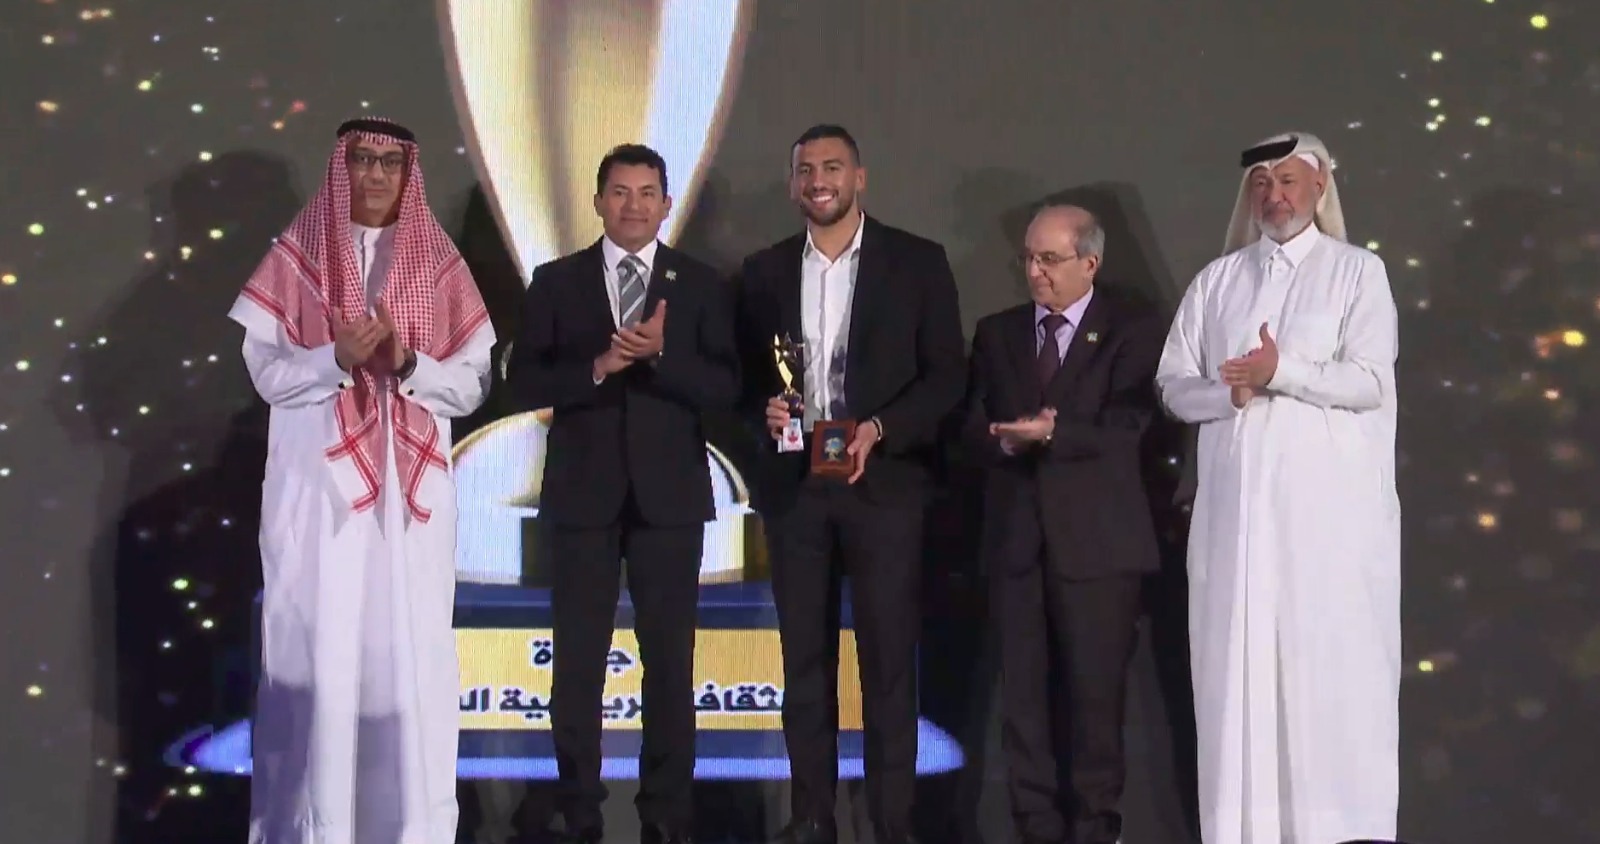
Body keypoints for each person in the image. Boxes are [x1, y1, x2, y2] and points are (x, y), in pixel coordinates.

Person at [228, 116, 495, 844]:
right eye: (362, 160)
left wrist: (407, 364)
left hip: (409, 505)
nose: (375, 175)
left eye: (389, 163)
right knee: (316, 656)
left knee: (406, 659)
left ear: (408, 175)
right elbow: (268, 375)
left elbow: (471, 386)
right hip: (319, 497)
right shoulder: (297, 258)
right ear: (340, 168)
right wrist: (335, 358)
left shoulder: (437, 265)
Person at [1154, 131, 1401, 844]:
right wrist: (1227, 395)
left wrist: (1279, 371)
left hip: (1326, 533)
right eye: (1262, 183)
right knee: (1238, 680)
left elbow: (1370, 382)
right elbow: (1173, 384)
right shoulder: (1218, 281)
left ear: (1320, 187)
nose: (1275, 196)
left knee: (1328, 678)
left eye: (1288, 181)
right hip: (1235, 530)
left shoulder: (1358, 273)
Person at [733, 124, 966, 844]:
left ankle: (893, 822)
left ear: (859, 178)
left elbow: (946, 377)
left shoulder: (917, 262)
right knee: (804, 664)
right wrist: (763, 411)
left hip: (885, 487)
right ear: (793, 183)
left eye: (832, 167)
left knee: (889, 663)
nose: (818, 181)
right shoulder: (763, 271)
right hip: (796, 489)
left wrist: (881, 428)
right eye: (806, 170)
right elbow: (738, 382)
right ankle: (812, 817)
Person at [506, 143, 739, 844]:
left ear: (666, 205)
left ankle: (666, 811)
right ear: (598, 201)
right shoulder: (557, 281)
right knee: (577, 663)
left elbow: (726, 387)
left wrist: (660, 358)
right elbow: (524, 382)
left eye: (646, 193)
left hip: (670, 501)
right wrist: (600, 366)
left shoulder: (700, 284)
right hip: (582, 498)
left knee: (669, 663)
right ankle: (578, 806)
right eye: (619, 192)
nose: (633, 205)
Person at [962, 203, 1164, 844]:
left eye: (1049, 259)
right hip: (1016, 546)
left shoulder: (1133, 329)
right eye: (1028, 258)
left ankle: (1096, 828)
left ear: (1090, 263)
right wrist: (1000, 439)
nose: (1035, 272)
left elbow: (1133, 424)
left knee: (1095, 704)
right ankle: (1036, 829)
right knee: (1022, 706)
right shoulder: (997, 333)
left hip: (1099, 547)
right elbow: (967, 425)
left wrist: (1056, 433)